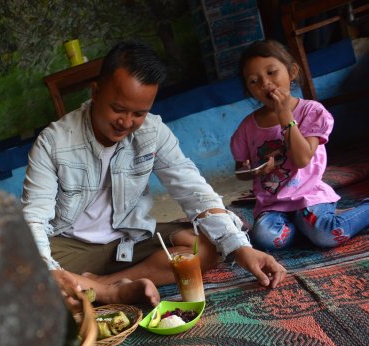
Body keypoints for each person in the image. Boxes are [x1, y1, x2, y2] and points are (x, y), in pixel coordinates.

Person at [22, 40, 286, 304]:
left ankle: (96, 285)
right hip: (70, 246)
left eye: (138, 113)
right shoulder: (54, 142)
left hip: (129, 236)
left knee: (206, 247)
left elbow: (195, 192)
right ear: (95, 91)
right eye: (117, 109)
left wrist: (241, 248)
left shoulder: (153, 132)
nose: (126, 122)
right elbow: (34, 219)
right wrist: (49, 269)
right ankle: (111, 292)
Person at [231, 39, 369, 250]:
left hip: (309, 197)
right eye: (253, 81)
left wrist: (284, 115)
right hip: (273, 205)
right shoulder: (246, 128)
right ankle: (308, 228)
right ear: (249, 90)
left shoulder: (311, 112)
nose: (265, 83)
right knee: (264, 237)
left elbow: (303, 159)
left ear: (292, 71)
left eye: (271, 72)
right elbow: (240, 171)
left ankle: (339, 219)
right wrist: (254, 170)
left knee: (328, 235)